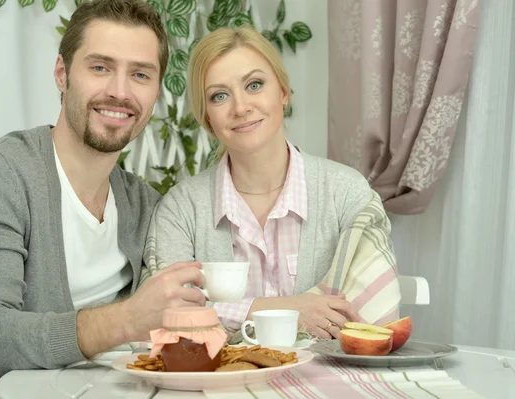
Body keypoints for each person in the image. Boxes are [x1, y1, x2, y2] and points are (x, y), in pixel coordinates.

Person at [0, 1, 206, 398]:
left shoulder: (143, 205)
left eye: (140, 74)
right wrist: (125, 320)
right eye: (100, 67)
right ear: (62, 73)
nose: (120, 92)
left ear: (156, 91)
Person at [143, 26, 401, 341]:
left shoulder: (348, 194)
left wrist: (221, 314)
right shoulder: (181, 209)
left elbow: (370, 328)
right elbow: (165, 317)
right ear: (207, 117)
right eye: (219, 95)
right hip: (221, 387)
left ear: (282, 92)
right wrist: (290, 310)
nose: (240, 107)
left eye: (254, 85)